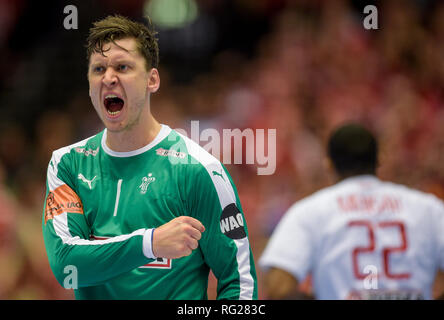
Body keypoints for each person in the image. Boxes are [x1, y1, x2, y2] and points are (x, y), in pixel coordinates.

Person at [42, 15, 257, 300]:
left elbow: (240, 284)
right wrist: (151, 243)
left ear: (152, 79)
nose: (108, 78)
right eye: (98, 69)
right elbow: (67, 265)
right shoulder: (67, 164)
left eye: (122, 66)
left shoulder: (198, 169)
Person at [259, 123, 444, 300]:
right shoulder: (427, 208)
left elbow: (278, 285)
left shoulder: (311, 211)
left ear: (329, 164)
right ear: (379, 159)